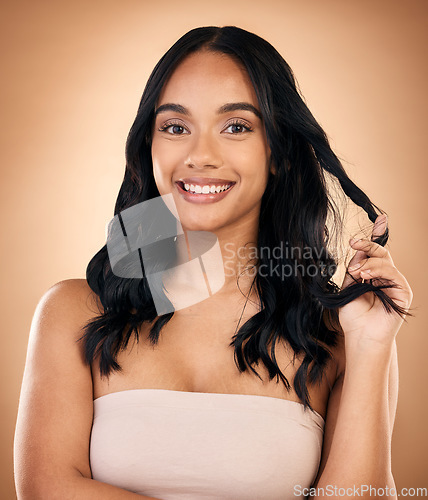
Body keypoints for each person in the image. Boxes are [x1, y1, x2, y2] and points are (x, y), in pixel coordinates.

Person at [14, 26, 413, 499]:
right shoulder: (73, 312)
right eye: (176, 127)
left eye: (237, 127)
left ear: (278, 153)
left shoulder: (342, 332)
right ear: (150, 147)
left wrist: (370, 346)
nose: (200, 155)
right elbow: (46, 489)